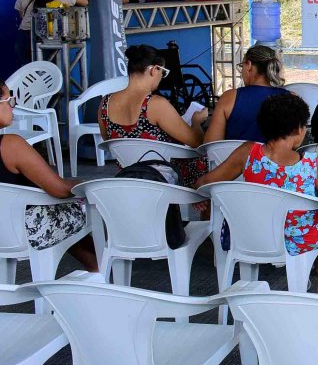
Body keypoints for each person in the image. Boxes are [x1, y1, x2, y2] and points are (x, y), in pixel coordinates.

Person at [197, 94, 318, 295]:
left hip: (251, 234)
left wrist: (202, 197)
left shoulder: (248, 152)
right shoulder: (309, 164)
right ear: (298, 130)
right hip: (298, 240)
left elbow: (205, 182)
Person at [0, 82, 98, 272]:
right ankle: (98, 268)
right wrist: (83, 184)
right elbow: (59, 190)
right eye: (10, 100)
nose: (13, 106)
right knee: (80, 208)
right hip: (20, 232)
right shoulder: (10, 145)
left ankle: (94, 267)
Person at [98, 45, 208, 188]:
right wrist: (196, 122)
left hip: (128, 173)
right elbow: (197, 142)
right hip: (162, 177)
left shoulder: (105, 103)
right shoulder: (155, 104)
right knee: (207, 161)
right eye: (163, 72)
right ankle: (204, 207)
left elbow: (108, 141)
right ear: (153, 69)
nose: (162, 77)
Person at [204, 45, 290, 143]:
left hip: (234, 158)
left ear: (248, 66)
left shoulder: (230, 97)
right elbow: (296, 143)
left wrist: (196, 123)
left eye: (241, 66)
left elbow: (211, 143)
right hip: (275, 158)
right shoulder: (290, 98)